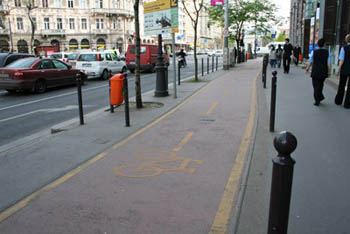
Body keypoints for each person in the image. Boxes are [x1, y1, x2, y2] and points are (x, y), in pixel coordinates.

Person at [305, 38, 331, 106]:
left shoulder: (314, 52)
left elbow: (311, 61)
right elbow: (329, 63)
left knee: (315, 86)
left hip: (315, 71)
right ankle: (320, 97)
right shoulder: (327, 52)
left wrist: (307, 68)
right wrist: (329, 71)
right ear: (324, 44)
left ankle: (317, 100)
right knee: (320, 85)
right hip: (323, 71)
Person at [335, 34, 350, 109]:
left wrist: (338, 70)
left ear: (346, 40)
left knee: (341, 85)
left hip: (344, 69)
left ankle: (338, 101)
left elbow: (341, 60)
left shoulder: (344, 48)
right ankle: (347, 104)